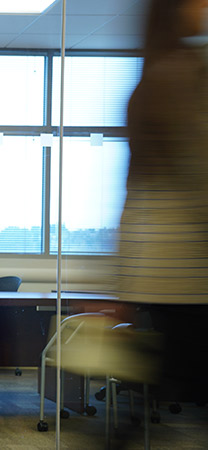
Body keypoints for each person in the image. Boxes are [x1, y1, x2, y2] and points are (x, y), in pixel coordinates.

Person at [110, 0, 208, 406]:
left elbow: (132, 192)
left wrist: (120, 281)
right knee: (182, 379)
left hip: (156, 270)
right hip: (190, 265)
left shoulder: (146, 85)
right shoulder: (187, 75)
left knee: (172, 377)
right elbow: (197, 174)